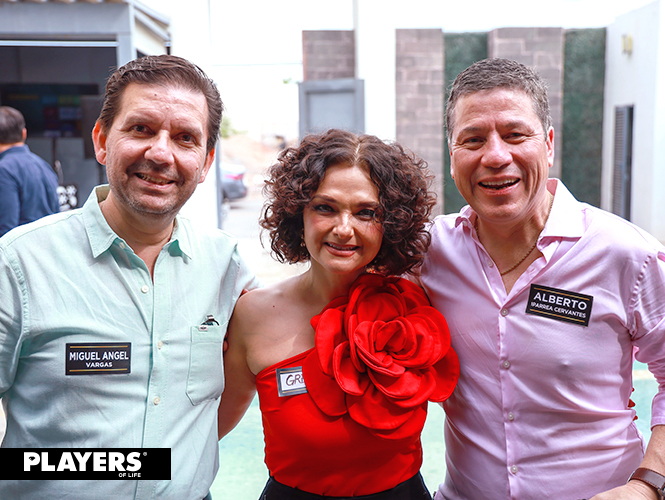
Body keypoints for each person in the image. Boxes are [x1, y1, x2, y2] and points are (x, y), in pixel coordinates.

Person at [0, 54, 258, 500]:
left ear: (206, 162)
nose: (160, 153)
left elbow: (231, 393)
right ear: (102, 140)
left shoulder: (226, 266)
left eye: (185, 138)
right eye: (141, 129)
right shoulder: (18, 264)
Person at [417, 57, 665, 500]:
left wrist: (649, 483)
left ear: (549, 144)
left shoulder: (627, 254)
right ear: (452, 157)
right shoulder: (429, 254)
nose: (496, 156)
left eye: (515, 135)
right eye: (473, 139)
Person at [218, 128, 460, 499]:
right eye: (325, 208)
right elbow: (205, 431)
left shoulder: (417, 304)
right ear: (298, 213)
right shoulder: (252, 315)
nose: (344, 229)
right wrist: (131, 474)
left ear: (391, 223)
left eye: (366, 213)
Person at [0, 106, 60, 237]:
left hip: (20, 248)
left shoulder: (4, 170)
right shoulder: (44, 165)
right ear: (24, 133)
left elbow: (6, 229)